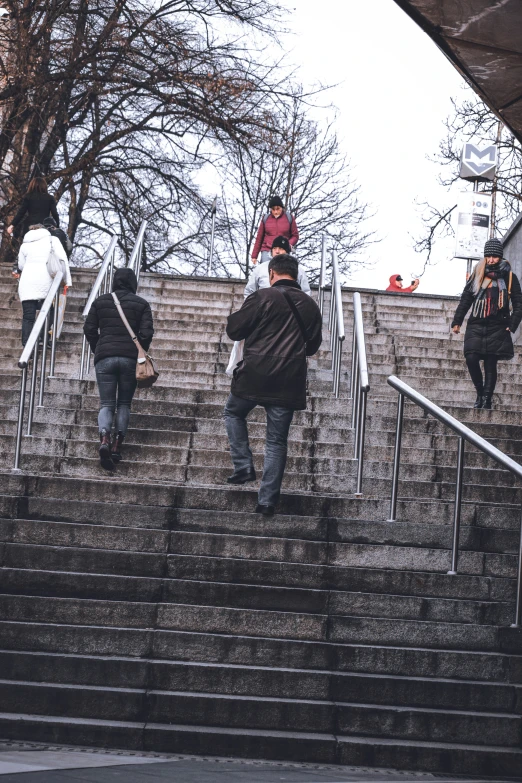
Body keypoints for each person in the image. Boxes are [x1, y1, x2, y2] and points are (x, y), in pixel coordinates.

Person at [224, 254, 322, 517]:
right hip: (288, 380)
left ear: (271, 274)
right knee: (276, 442)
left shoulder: (262, 297)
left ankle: (243, 465)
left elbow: (234, 330)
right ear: (296, 275)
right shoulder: (311, 306)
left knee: (233, 412)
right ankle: (267, 501)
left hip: (254, 373)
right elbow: (312, 347)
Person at [84, 268, 154, 471]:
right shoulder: (142, 304)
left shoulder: (100, 301)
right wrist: (140, 350)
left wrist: (98, 348)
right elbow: (147, 332)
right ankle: (116, 447)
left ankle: (104, 439)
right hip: (130, 359)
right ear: (133, 283)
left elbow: (89, 329)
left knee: (106, 403)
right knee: (124, 403)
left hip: (104, 357)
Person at [451, 238, 522, 410]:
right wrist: (457, 321)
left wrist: (512, 325)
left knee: (491, 363)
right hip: (477, 322)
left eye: (494, 257)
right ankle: (480, 392)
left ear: (500, 257)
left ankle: (487, 399)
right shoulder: (478, 274)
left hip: (498, 324)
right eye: (488, 256)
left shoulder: (510, 277)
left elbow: (519, 304)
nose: (490, 260)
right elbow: (466, 299)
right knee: (471, 357)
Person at [17, 223, 71, 347]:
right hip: (46, 280)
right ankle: (42, 338)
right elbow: (63, 259)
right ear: (44, 230)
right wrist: (67, 281)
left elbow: (21, 265)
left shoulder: (25, 244)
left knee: (28, 316)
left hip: (27, 281)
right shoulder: (53, 240)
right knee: (48, 311)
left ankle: (27, 345)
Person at [244, 235, 311, 297]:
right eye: (274, 248)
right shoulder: (260, 269)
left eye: (281, 248)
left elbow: (306, 294)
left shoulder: (298, 270)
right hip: (264, 308)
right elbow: (249, 292)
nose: (277, 251)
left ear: (287, 252)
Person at [251, 196, 299, 266]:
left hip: (283, 250)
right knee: (265, 270)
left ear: (282, 208)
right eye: (273, 209)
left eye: (278, 209)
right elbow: (259, 238)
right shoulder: (265, 219)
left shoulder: (289, 217)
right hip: (267, 249)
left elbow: (295, 235)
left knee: (282, 270)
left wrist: (287, 244)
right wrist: (254, 256)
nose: (275, 211)